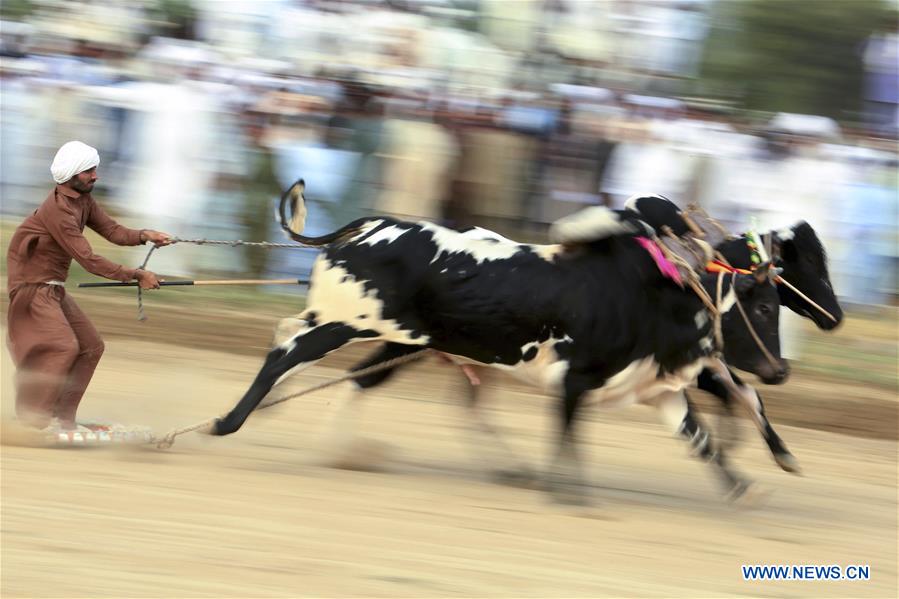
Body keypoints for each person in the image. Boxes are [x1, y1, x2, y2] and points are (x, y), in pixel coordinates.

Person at [5, 141, 171, 434]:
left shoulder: (82, 200)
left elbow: (113, 230)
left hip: (52, 288)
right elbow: (89, 260)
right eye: (89, 171)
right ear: (71, 175)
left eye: (95, 169)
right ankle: (36, 421)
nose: (95, 176)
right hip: (33, 289)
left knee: (92, 346)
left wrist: (145, 235)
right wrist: (136, 275)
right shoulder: (58, 210)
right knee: (64, 346)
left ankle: (63, 419)